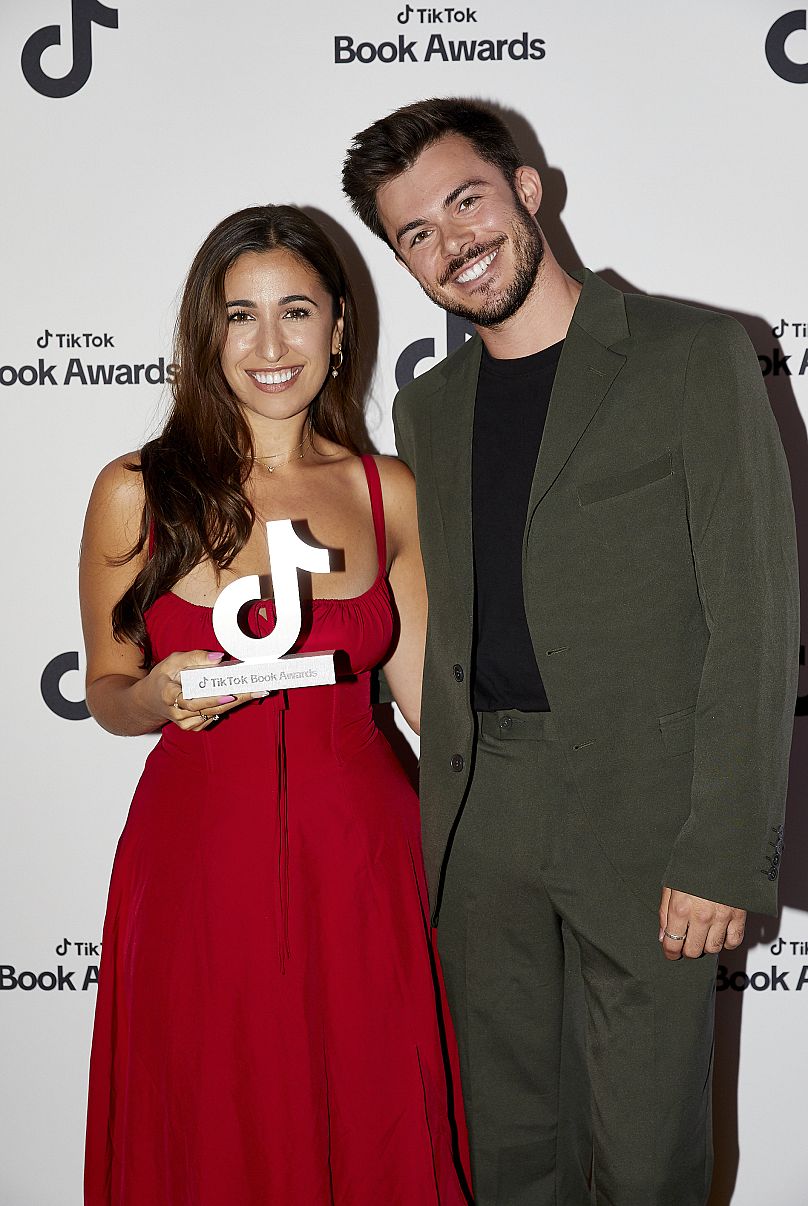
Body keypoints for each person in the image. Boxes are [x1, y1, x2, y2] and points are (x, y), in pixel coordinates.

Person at [342, 98, 799, 1205]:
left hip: (648, 820)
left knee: (645, 1161)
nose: (452, 242)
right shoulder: (427, 408)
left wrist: (722, 849)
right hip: (482, 810)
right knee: (507, 1153)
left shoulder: (692, 353)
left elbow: (754, 615)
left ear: (527, 189)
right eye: (415, 233)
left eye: (467, 200)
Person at [80, 204, 471, 1205]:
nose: (269, 344)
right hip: (198, 863)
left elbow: (434, 705)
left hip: (364, 861)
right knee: (210, 1121)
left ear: (340, 329)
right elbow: (108, 691)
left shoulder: (389, 493)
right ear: (204, 336)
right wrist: (158, 696)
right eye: (238, 315)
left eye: (296, 311)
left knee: (375, 1118)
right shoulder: (137, 489)